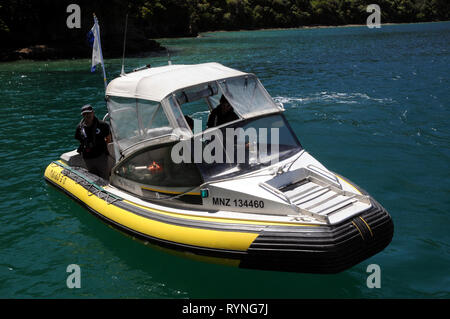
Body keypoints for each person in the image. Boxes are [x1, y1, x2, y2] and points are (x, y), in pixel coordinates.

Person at [75, 104, 112, 179]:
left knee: (104, 177)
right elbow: (80, 140)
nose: (87, 115)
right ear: (82, 115)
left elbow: (108, 138)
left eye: (89, 113)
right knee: (93, 178)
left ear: (93, 113)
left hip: (101, 157)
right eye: (85, 114)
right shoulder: (79, 128)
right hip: (88, 158)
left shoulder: (103, 125)